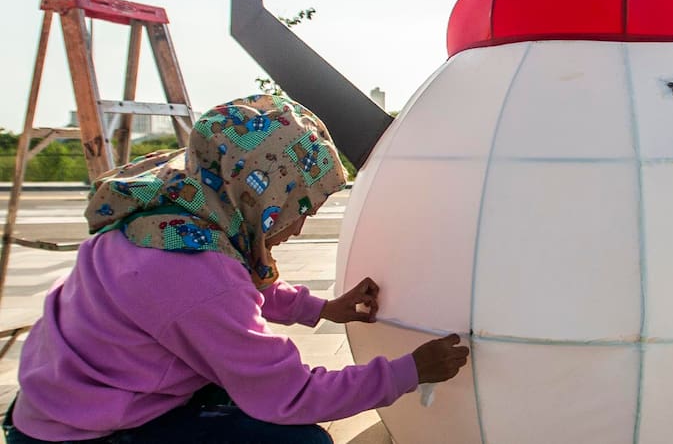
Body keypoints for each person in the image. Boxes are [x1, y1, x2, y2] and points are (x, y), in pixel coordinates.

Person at [4, 95, 469, 443]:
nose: (298, 228)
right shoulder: (193, 271)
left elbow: (234, 285)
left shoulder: (172, 216)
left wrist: (323, 309)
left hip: (61, 404)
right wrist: (408, 371)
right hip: (82, 433)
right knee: (299, 441)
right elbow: (291, 393)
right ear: (262, 194)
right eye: (297, 208)